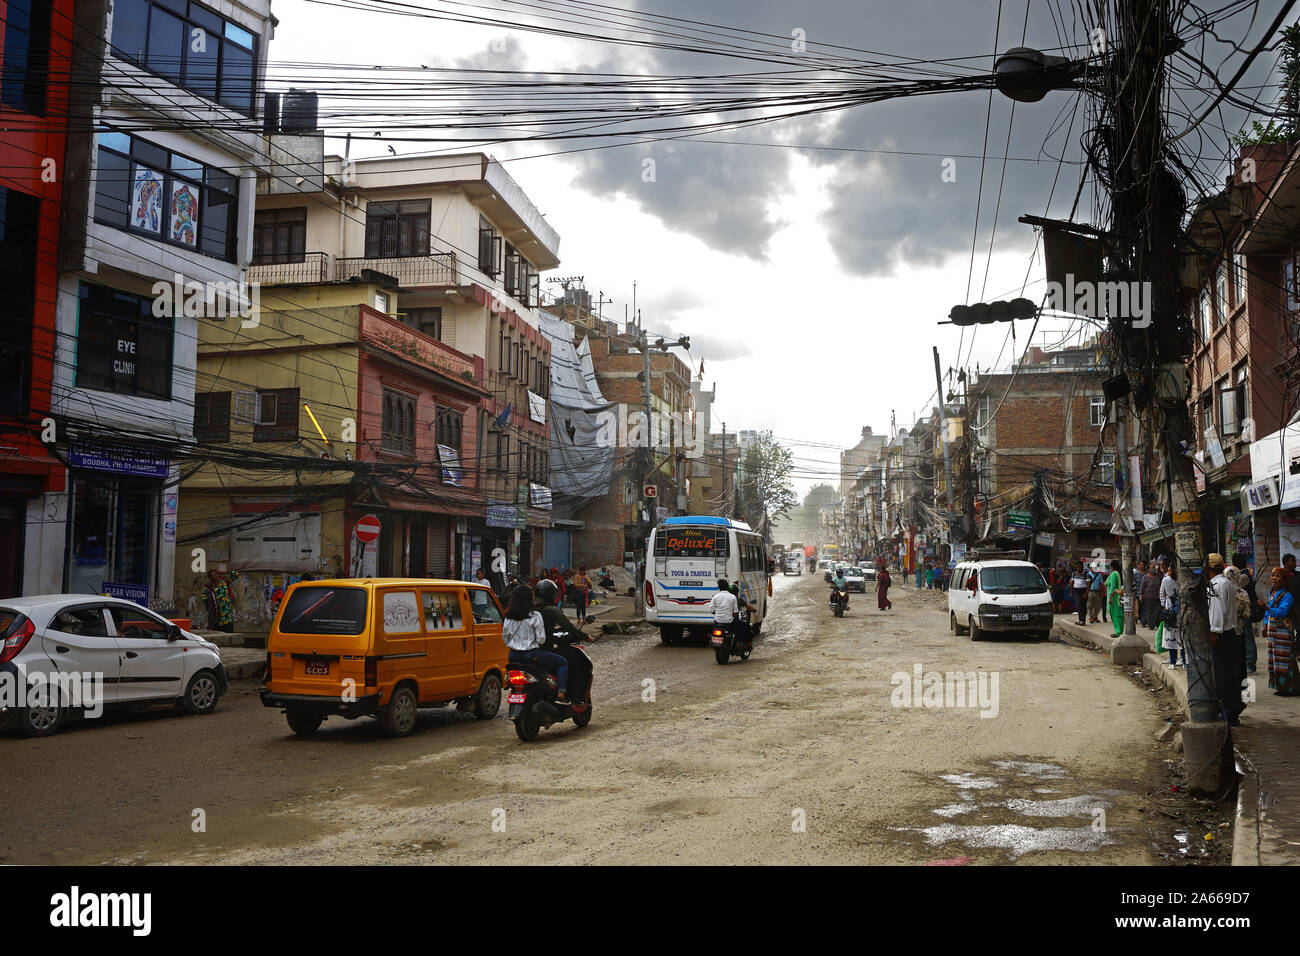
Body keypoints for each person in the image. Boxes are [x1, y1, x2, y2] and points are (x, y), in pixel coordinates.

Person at [503, 584, 568, 704]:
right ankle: (561, 694)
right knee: (562, 662)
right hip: (531, 655)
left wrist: (515, 644)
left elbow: (505, 639)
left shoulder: (508, 617)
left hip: (513, 656)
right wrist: (533, 644)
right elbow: (541, 639)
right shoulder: (535, 615)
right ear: (529, 599)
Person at [1207, 553, 1246, 725]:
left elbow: (1216, 612)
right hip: (1230, 634)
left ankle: (1229, 711)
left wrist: (1214, 633)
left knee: (1223, 676)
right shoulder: (1227, 584)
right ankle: (1232, 709)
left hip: (1222, 634)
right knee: (1230, 674)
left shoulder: (1216, 585)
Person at [1264, 566, 1297, 695]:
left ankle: (1289, 687)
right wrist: (1266, 625)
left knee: (1284, 659)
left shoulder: (1287, 595)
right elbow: (1269, 614)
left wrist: (1267, 608)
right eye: (1273, 576)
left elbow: (1283, 612)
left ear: (1284, 580)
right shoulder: (1272, 593)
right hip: (1273, 631)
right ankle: (1279, 686)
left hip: (1283, 631)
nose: (1274, 578)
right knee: (1274, 658)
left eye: (1277, 576)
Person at [1233, 554, 1260, 675]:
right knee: (1245, 636)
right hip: (1244, 610)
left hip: (1246, 611)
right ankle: (1247, 663)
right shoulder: (1244, 574)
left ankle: (1250, 664)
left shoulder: (1243, 576)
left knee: (1248, 636)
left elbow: (1234, 587)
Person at [1158, 560, 1181, 668]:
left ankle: (1173, 661)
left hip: (1169, 610)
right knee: (1182, 635)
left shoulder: (1165, 580)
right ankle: (1184, 660)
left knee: (1170, 635)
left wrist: (1164, 606)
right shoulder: (1182, 579)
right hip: (1181, 609)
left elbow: (1161, 594)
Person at [204, 569, 236, 633]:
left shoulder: (224, 583)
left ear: (218, 575)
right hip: (217, 618)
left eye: (215, 574)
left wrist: (227, 572)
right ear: (210, 578)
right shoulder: (209, 587)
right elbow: (204, 597)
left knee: (229, 635)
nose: (214, 576)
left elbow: (235, 575)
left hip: (227, 616)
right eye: (212, 575)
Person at [1139, 561, 1162, 631]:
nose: (1153, 569)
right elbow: (1142, 587)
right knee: (1149, 612)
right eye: (1152, 568)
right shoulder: (1145, 577)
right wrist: (1141, 595)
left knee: (1156, 611)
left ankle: (1155, 623)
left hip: (1157, 597)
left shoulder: (1158, 576)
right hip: (1147, 597)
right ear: (1148, 569)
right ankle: (1151, 625)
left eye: (1154, 568)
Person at [1105, 559, 1124, 637]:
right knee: (1119, 615)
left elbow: (1112, 587)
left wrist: (1110, 598)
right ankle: (1120, 631)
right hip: (1118, 597)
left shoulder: (1113, 574)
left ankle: (1118, 631)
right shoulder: (1119, 573)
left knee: (1115, 615)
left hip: (1114, 597)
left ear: (1112, 566)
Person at [1071, 560, 1090, 625]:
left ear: (1082, 567)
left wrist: (1086, 593)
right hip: (1076, 591)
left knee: (1083, 606)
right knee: (1078, 606)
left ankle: (1083, 620)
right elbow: (1072, 583)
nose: (1078, 568)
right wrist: (1071, 592)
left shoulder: (1086, 574)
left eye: (1079, 567)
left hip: (1083, 591)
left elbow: (1088, 584)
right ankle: (1080, 619)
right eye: (1077, 567)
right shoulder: (1074, 574)